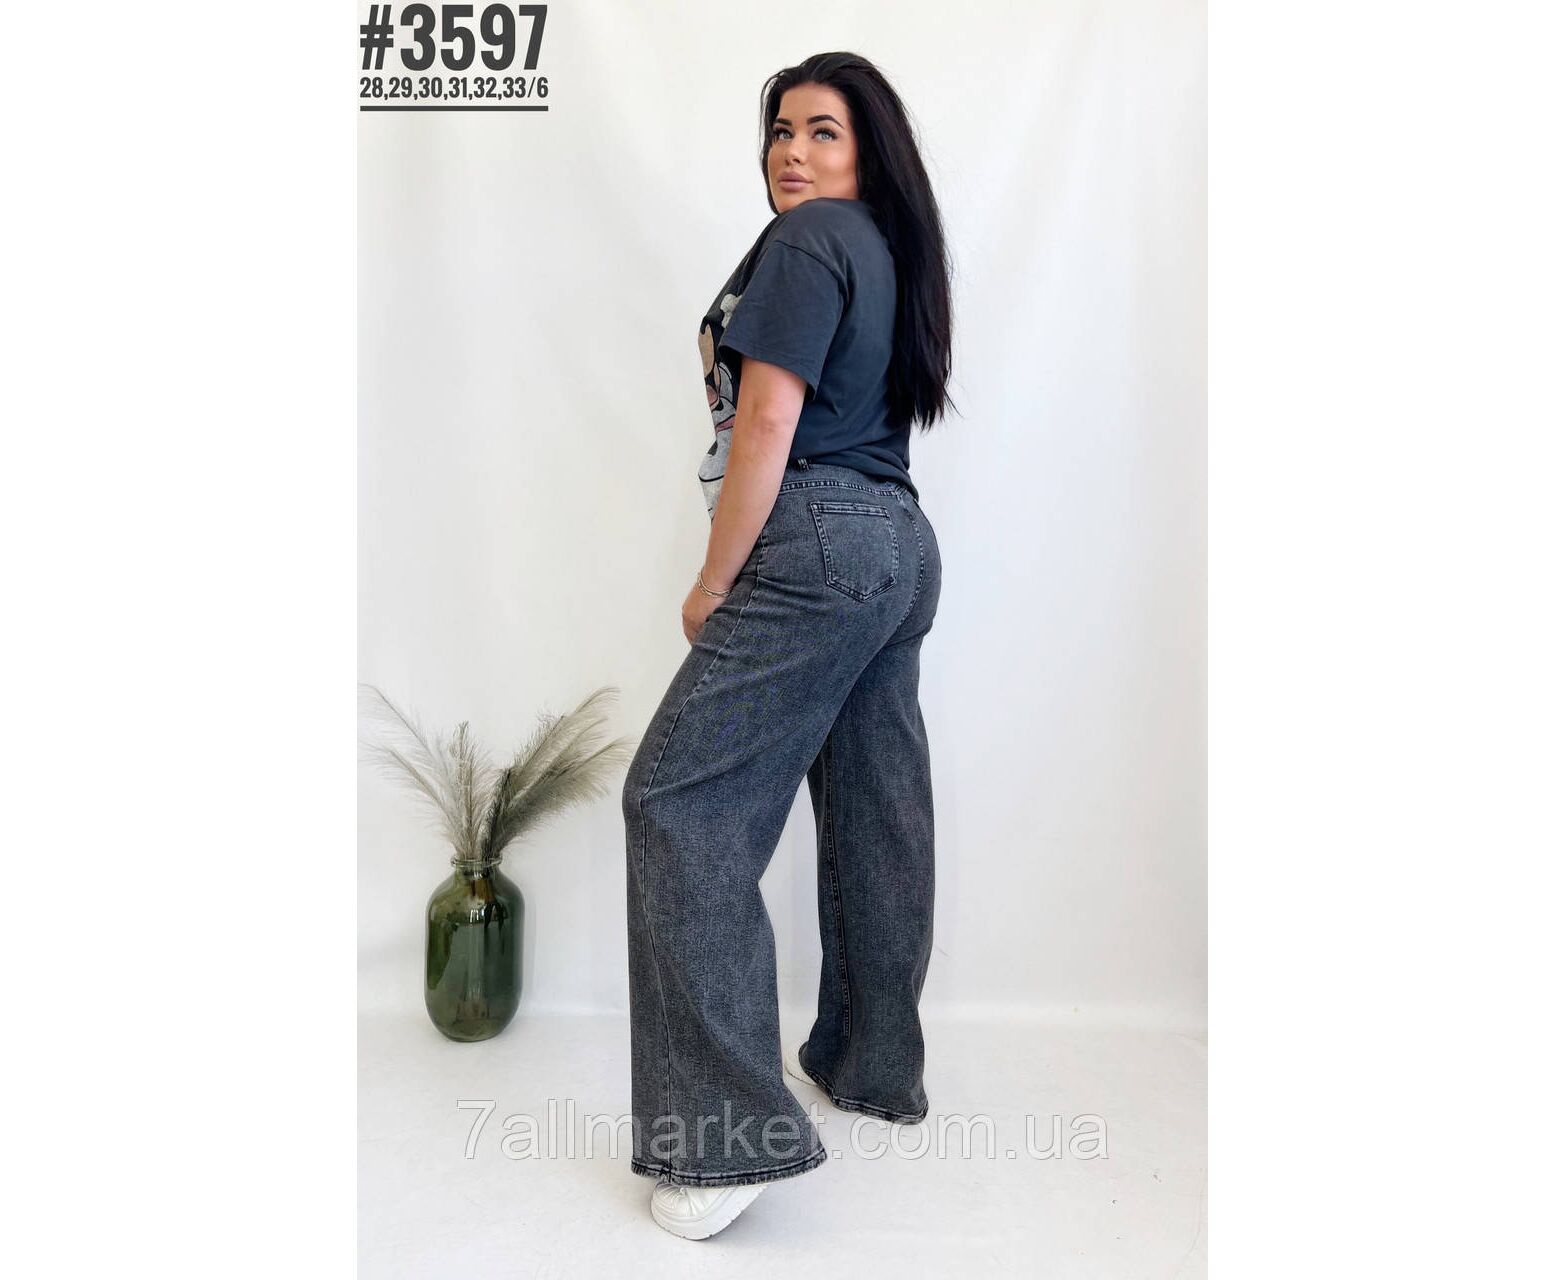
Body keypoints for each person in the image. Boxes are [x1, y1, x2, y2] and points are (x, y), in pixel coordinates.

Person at [621, 50, 957, 1240]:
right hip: (898, 543)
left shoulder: (807, 242)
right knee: (873, 801)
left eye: (821, 131)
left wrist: (713, 580)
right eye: (779, 130)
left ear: (867, 153)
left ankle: (723, 1143)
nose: (791, 152)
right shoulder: (889, 252)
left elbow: (768, 416)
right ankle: (871, 1061)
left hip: (816, 536)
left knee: (678, 801)